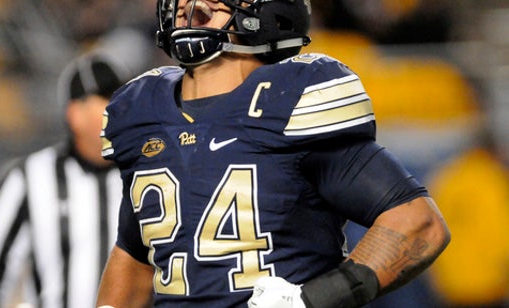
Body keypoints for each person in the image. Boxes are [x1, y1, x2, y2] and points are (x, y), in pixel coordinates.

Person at [96, 0, 451, 307]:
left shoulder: (289, 99)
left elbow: (419, 223)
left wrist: (310, 300)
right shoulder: (144, 112)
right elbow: (136, 254)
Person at [0, 53, 129, 308]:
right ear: (75, 113)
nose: (120, 109)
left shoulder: (147, 173)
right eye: (107, 99)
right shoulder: (31, 177)